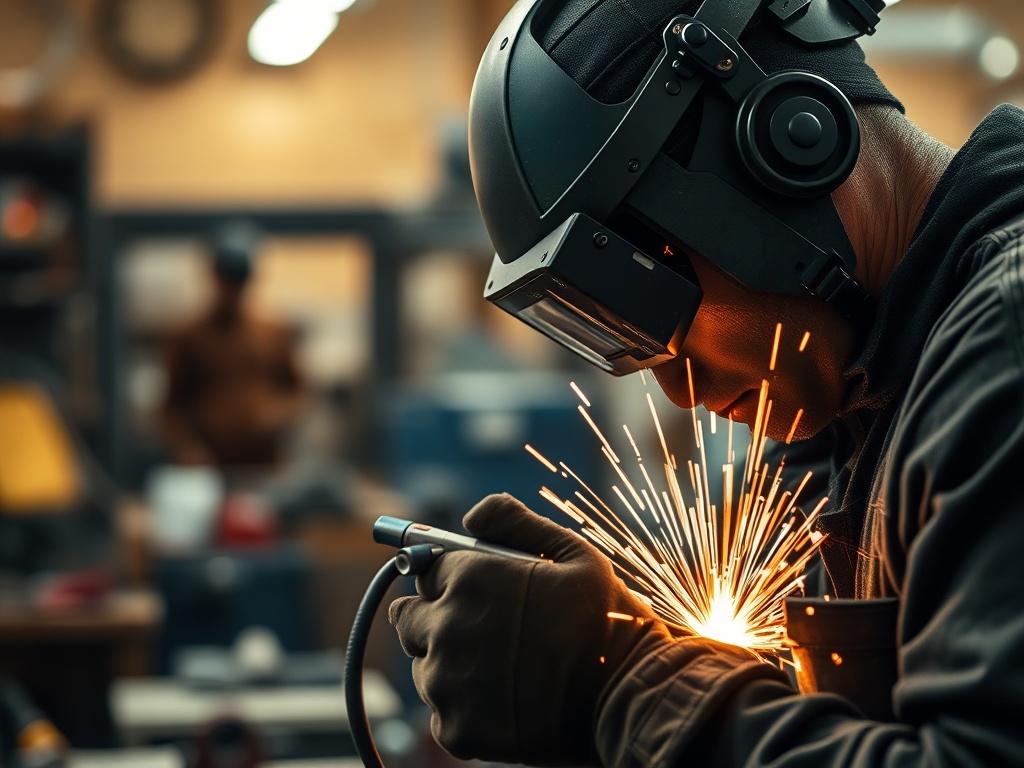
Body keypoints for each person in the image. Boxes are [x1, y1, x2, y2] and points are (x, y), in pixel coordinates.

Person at [388, 0, 1024, 765]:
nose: (680, 394)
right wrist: (616, 655)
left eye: (660, 311)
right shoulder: (858, 410)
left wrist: (619, 690)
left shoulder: (1005, 346)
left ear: (791, 147)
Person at [161, 223, 306, 469]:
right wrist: (187, 447)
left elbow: (298, 392)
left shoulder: (272, 332)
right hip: (210, 464)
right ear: (215, 276)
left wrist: (279, 416)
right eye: (228, 278)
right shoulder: (190, 336)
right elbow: (171, 406)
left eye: (240, 279)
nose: (233, 289)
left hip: (263, 463)